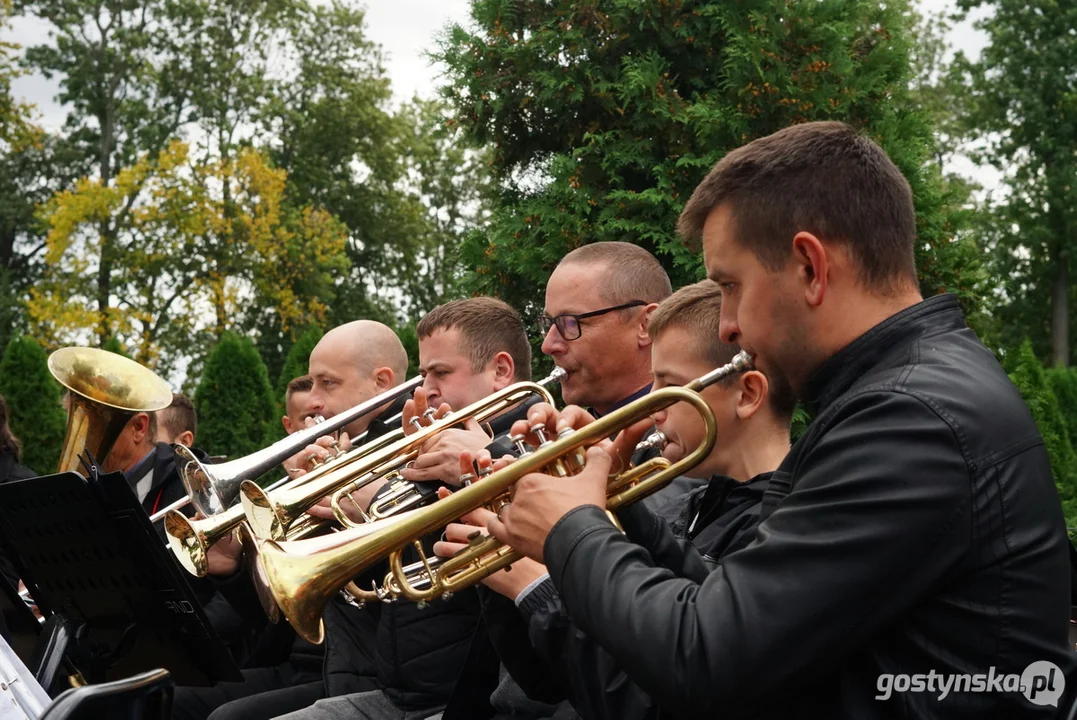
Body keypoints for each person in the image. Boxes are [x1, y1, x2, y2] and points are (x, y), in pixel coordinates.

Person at [485, 121, 1074, 718]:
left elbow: (707, 658)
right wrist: (617, 502)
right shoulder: (896, 395)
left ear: (811, 267)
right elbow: (737, 608)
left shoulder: (908, 417)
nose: (725, 325)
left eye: (731, 286)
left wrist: (571, 529)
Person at [437, 281, 794, 719]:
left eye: (670, 386)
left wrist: (538, 587)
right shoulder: (688, 507)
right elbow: (545, 683)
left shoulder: (776, 528)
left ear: (747, 393)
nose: (652, 409)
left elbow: (652, 699)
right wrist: (504, 561)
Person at [529, 241, 700, 508]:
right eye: (548, 324)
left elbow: (664, 536)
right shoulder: (565, 436)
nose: (548, 345)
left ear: (646, 325)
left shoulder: (684, 433)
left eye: (570, 323)